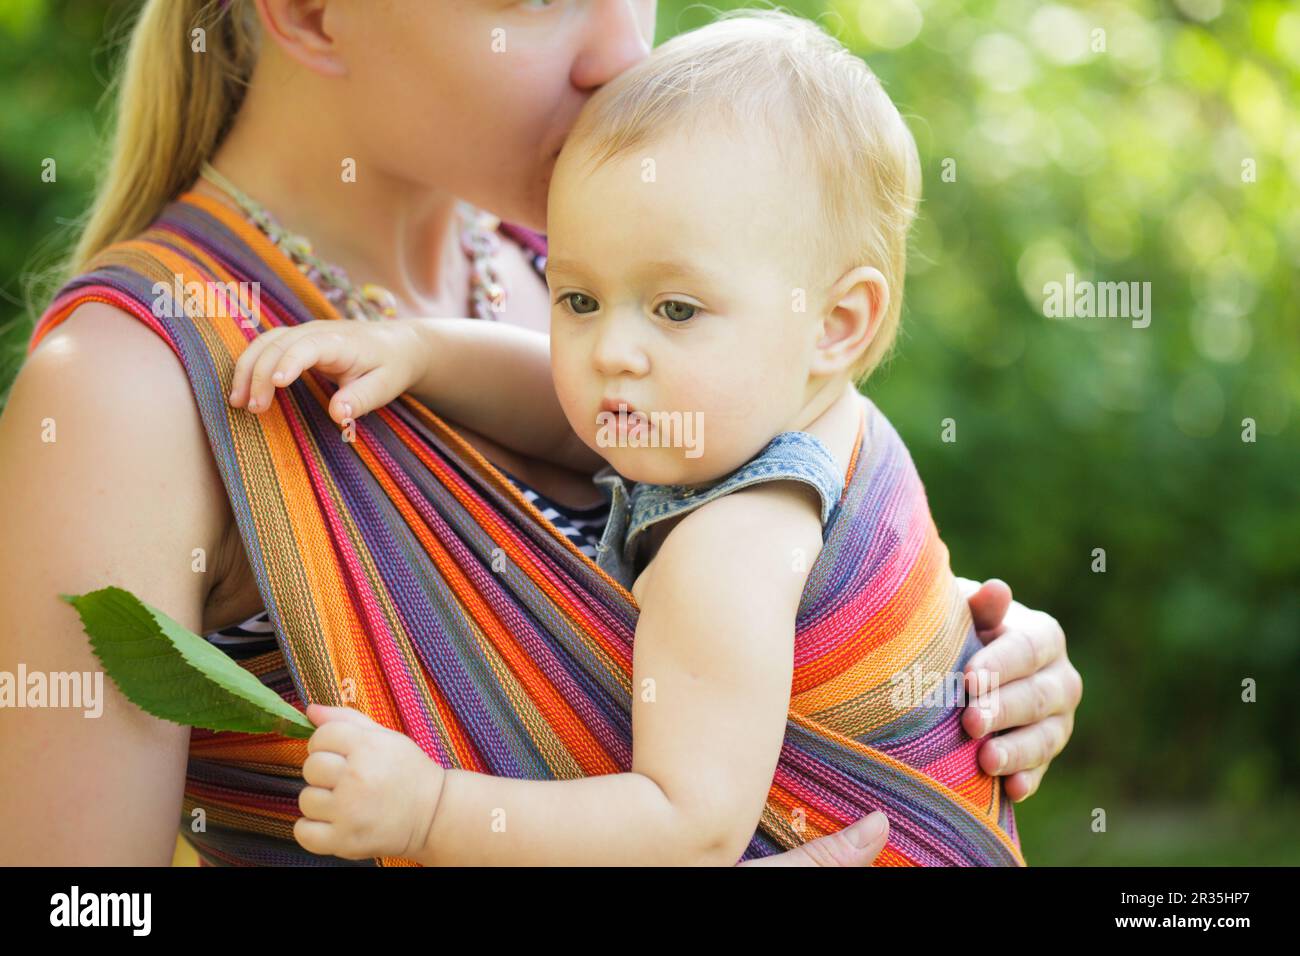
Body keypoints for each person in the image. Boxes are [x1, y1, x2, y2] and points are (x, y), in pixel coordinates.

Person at [0, 0, 1081, 866]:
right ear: (316, 15)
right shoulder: (130, 386)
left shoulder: (588, 278)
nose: (622, 46)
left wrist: (934, 679)